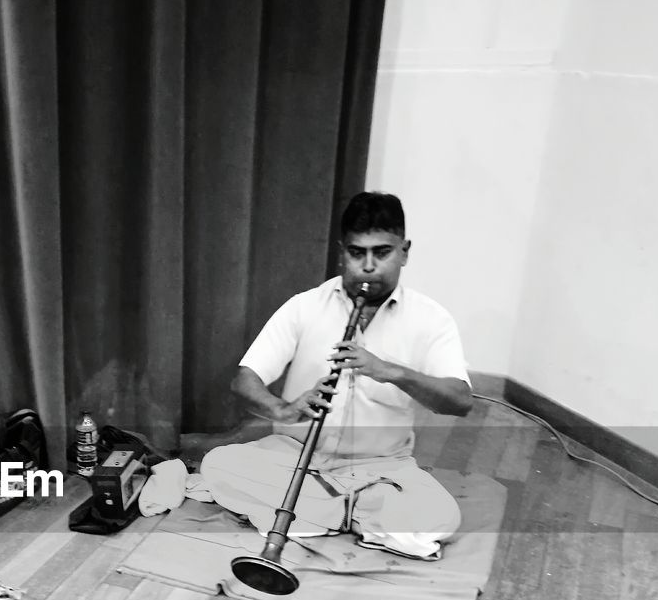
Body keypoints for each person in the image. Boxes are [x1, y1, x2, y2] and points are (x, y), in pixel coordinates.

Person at [196, 191, 473, 559]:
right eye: (357, 254)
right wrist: (284, 410)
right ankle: (358, 518)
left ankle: (312, 515)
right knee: (219, 465)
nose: (369, 267)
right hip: (297, 458)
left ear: (404, 251)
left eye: (383, 252)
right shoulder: (304, 307)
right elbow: (244, 379)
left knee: (441, 517)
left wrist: (392, 372)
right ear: (341, 252)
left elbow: (460, 400)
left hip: (381, 468)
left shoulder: (431, 319)